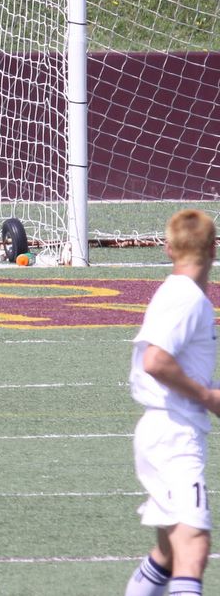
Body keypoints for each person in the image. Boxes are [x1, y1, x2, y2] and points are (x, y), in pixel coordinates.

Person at [126, 209, 220, 596]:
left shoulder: (179, 294)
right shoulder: (187, 299)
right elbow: (156, 361)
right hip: (174, 436)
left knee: (168, 552)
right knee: (192, 545)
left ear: (168, 248)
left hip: (165, 431)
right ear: (213, 248)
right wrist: (208, 397)